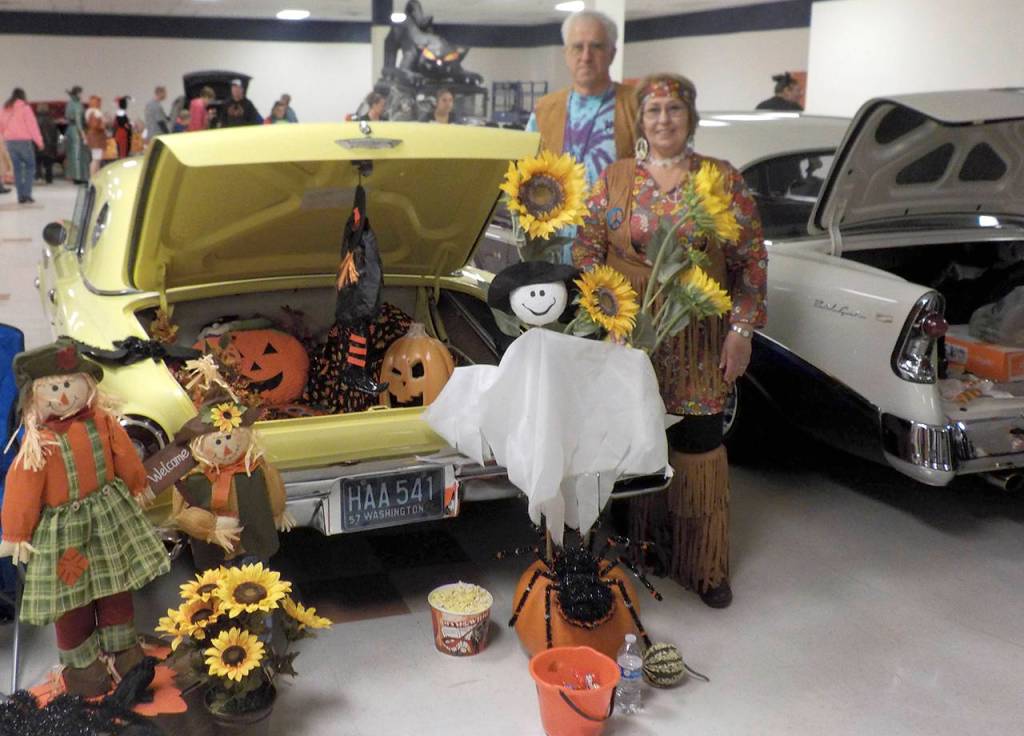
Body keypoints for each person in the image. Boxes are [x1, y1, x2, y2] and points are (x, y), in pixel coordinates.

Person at [572, 73, 767, 609]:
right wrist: (604, 310)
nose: (663, 120)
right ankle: (643, 545)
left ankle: (703, 564)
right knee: (636, 441)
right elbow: (586, 251)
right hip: (629, 337)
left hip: (701, 337)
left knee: (698, 443)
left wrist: (741, 331)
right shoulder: (614, 179)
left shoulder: (722, 180)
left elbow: (752, 261)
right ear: (641, 120)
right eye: (653, 111)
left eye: (673, 109)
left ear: (690, 116)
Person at [526, 9, 638, 262]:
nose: (586, 56)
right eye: (578, 47)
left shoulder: (637, 107)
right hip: (553, 253)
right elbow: (523, 177)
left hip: (617, 256)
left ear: (612, 53)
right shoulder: (544, 111)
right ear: (566, 54)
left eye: (596, 46)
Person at [0, 88, 43, 204]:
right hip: (24, 142)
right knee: (30, 167)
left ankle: (20, 196)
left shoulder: (5, 108)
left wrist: (4, 137)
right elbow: (32, 126)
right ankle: (27, 194)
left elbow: (1, 125)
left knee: (17, 170)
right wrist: (39, 142)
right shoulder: (25, 108)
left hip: (10, 142)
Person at [64, 85, 90, 183]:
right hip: (76, 131)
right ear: (78, 93)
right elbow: (79, 121)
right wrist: (83, 135)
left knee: (72, 154)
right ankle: (80, 177)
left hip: (69, 130)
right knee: (79, 154)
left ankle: (74, 176)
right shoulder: (78, 105)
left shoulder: (69, 103)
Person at [35, 103, 59, 184]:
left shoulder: (35, 120)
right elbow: (55, 134)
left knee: (37, 162)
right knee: (48, 163)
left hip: (37, 145)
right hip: (49, 145)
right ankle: (49, 178)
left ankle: (39, 177)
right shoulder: (51, 120)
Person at [84, 95, 107, 178]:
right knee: (96, 159)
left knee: (96, 159)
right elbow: (95, 125)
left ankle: (94, 177)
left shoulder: (91, 113)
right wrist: (103, 125)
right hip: (96, 138)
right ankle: (94, 177)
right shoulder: (95, 113)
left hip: (95, 137)